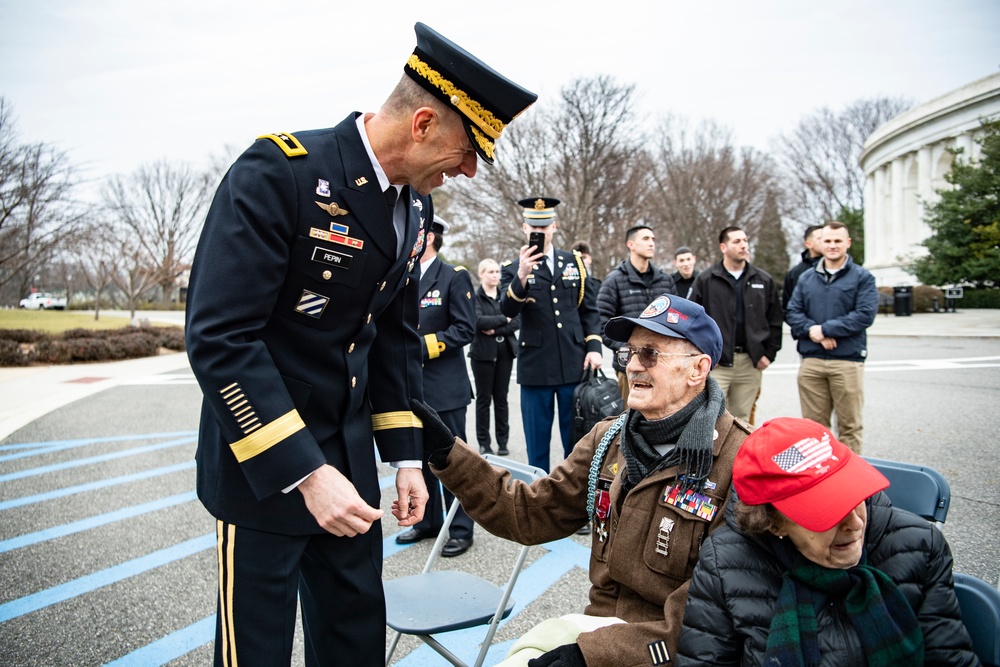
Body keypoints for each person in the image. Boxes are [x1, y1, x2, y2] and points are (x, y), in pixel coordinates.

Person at [184, 23, 536, 666]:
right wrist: (304, 472)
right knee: (254, 652)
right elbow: (219, 339)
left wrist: (405, 457)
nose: (467, 170)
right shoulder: (281, 172)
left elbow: (392, 339)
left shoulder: (413, 209)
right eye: (465, 151)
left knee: (353, 643)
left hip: (346, 465)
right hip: (266, 468)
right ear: (423, 123)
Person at [410, 294, 751, 667]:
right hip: (595, 629)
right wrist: (449, 455)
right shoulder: (608, 439)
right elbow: (528, 513)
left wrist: (592, 655)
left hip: (672, 652)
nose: (633, 366)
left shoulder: (739, 462)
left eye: (650, 355)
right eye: (629, 353)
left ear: (697, 370)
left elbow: (711, 619)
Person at [676, 417, 979, 666]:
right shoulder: (726, 563)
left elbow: (950, 658)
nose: (855, 524)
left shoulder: (918, 546)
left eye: (854, 495)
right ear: (773, 522)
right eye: (828, 512)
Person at [500, 197, 604, 472]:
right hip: (536, 367)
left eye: (545, 226)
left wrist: (594, 347)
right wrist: (521, 276)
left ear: (555, 226)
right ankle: (540, 501)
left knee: (577, 443)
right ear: (525, 228)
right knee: (537, 445)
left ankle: (574, 501)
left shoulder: (575, 263)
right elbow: (507, 308)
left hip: (574, 363)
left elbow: (589, 311)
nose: (540, 231)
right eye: (534, 226)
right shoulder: (512, 268)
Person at [395, 215, 477, 557]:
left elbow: (464, 329)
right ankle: (428, 522)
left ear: (428, 237)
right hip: (413, 388)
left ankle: (461, 529)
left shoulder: (454, 277)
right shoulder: (404, 276)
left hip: (446, 387)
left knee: (452, 460)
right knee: (419, 457)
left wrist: (423, 345)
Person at [785, 221, 879, 454]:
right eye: (827, 241)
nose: (832, 245)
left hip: (846, 362)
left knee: (849, 427)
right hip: (811, 362)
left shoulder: (862, 278)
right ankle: (820, 481)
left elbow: (864, 315)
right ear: (820, 244)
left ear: (847, 243)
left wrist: (826, 329)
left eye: (838, 241)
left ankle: (852, 485)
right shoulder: (807, 278)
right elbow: (793, 312)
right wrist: (814, 332)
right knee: (813, 429)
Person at [689, 226, 782, 424]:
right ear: (723, 247)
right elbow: (692, 320)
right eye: (737, 241)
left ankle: (739, 456)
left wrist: (768, 355)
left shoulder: (763, 280)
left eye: (745, 241)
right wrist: (703, 354)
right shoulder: (706, 279)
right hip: (717, 363)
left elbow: (775, 320)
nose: (743, 245)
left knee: (742, 422)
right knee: (711, 418)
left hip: (750, 363)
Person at [597, 225, 677, 403]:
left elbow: (676, 321)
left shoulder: (665, 280)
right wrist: (631, 351)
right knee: (631, 420)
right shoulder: (614, 281)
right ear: (630, 244)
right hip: (630, 369)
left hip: (663, 366)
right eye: (646, 239)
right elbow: (602, 325)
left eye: (653, 240)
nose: (652, 244)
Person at [469, 257, 519, 457]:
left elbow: (517, 321)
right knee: (483, 400)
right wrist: (503, 319)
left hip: (505, 352)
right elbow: (479, 321)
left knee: (501, 399)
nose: (495, 275)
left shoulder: (505, 297)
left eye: (497, 272)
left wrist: (497, 327)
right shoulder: (475, 298)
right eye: (490, 272)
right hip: (482, 355)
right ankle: (484, 443)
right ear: (481, 274)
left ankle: (503, 442)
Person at [782, 224, 823, 309]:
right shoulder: (795, 273)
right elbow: (789, 308)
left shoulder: (841, 268)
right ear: (808, 244)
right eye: (820, 239)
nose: (825, 242)